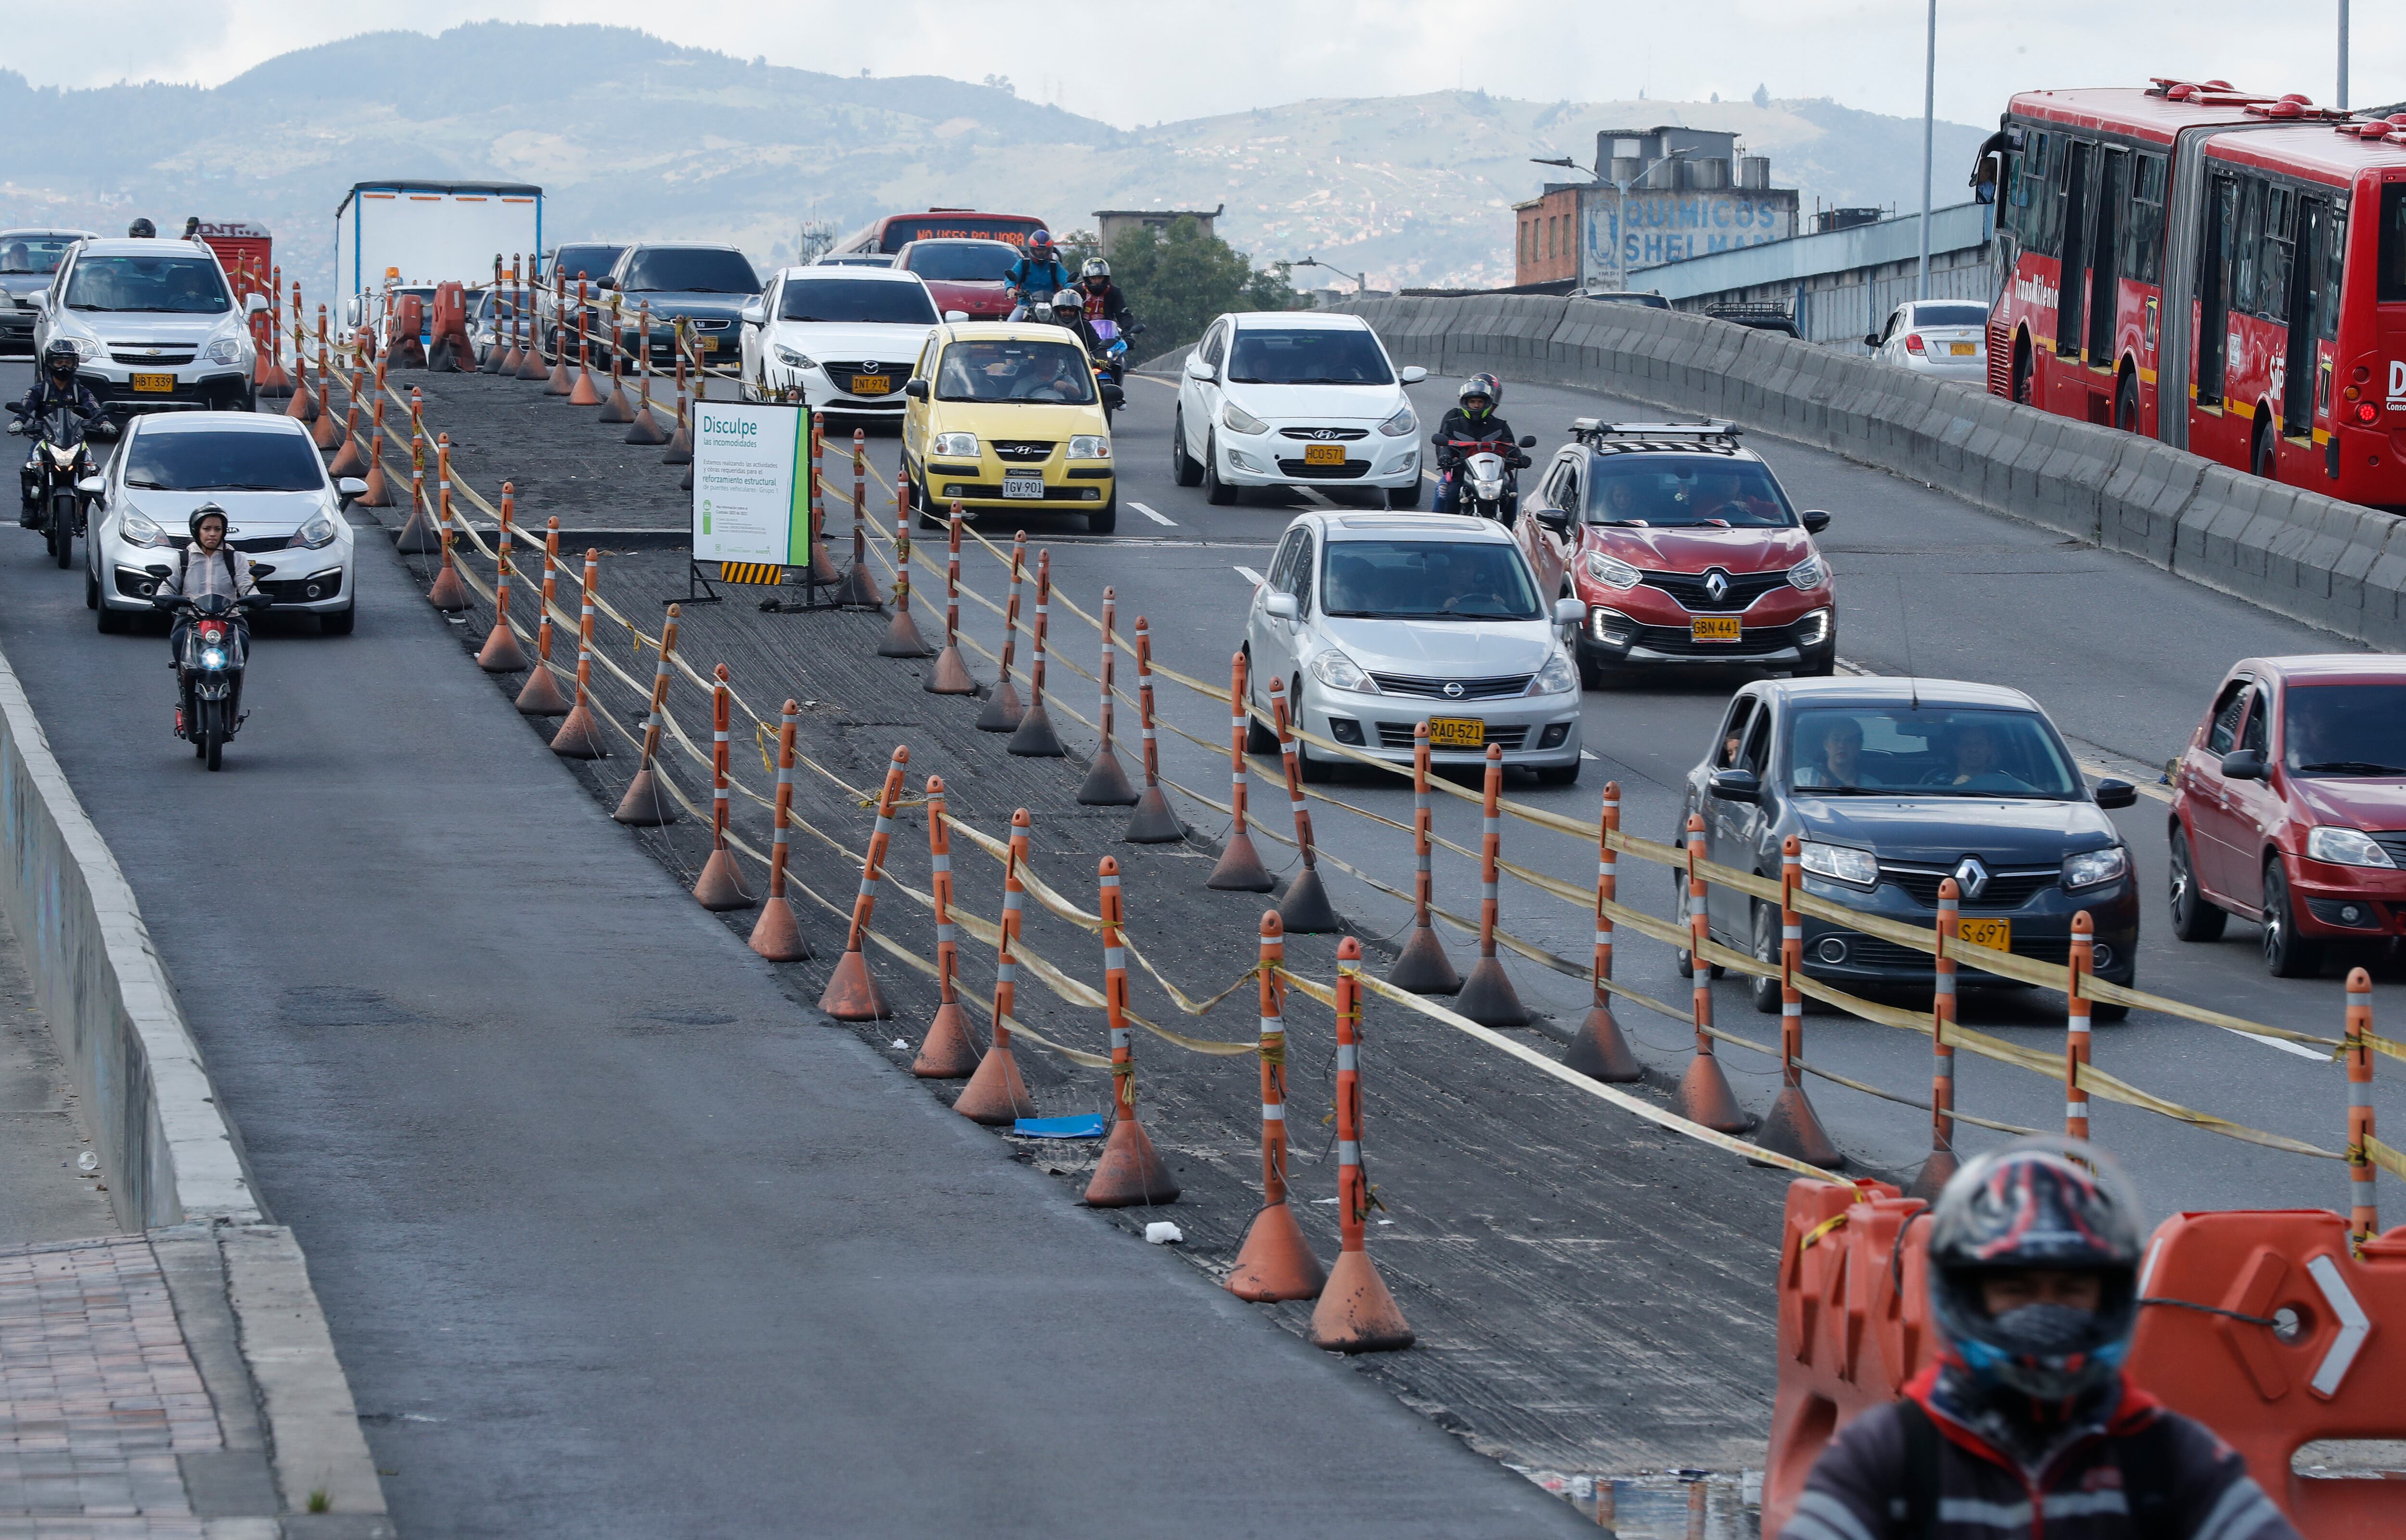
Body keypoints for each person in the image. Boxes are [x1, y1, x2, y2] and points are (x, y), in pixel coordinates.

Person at [1779, 1139, 2300, 1540]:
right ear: (1966, 1301)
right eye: (2016, 1289)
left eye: (2070, 1289)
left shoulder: (2170, 1460)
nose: (2045, 1313)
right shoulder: (1884, 1461)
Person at [11, 340, 105, 528]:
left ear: (75, 364)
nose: (64, 367)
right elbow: (25, 407)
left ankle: (88, 509)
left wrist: (104, 422)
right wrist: (19, 422)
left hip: (75, 440)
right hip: (44, 440)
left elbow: (94, 407)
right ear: (50, 363)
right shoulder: (39, 390)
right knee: (29, 469)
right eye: (59, 362)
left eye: (68, 362)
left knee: (94, 471)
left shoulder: (80, 390)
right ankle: (28, 507)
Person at [159, 505, 262, 667]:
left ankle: (235, 682)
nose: (213, 534)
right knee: (179, 640)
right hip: (192, 616)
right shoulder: (182, 558)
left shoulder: (235, 558)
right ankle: (184, 675)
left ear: (224, 531)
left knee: (242, 643)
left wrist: (255, 598)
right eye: (207, 528)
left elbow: (246, 584)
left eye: (218, 529)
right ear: (196, 530)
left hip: (229, 616)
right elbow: (169, 586)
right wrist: (162, 598)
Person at [1431, 373, 1525, 516]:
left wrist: (1521, 458)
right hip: (1462, 473)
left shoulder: (1500, 425)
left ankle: (1509, 530)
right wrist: (1445, 458)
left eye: (1480, 402)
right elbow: (1445, 445)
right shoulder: (1453, 423)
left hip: (1495, 476)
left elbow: (1510, 445)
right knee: (1446, 492)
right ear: (1465, 402)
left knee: (1512, 492)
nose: (1476, 405)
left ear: (1487, 403)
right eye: (1472, 402)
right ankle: (1439, 526)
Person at [1930, 720, 2034, 793]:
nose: (1973, 750)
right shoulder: (1938, 780)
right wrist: (1953, 789)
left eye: (1980, 744)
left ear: (1990, 749)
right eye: (1967, 744)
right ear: (1956, 749)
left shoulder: (2006, 782)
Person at [1003, 230, 1074, 317]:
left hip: (1050, 305)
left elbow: (1066, 280)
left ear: (1050, 250)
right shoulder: (1024, 263)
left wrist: (1073, 289)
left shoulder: (1054, 265)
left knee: (1066, 324)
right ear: (1032, 249)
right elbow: (1011, 276)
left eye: (1045, 250)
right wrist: (1010, 288)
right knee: (1011, 324)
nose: (1042, 253)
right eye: (1038, 250)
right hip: (1026, 305)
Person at [1792, 716, 1875, 789]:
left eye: (1850, 740)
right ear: (1826, 744)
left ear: (1859, 746)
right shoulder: (1801, 779)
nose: (1842, 745)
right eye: (1836, 739)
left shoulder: (1872, 786)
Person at [1076, 258, 1129, 326]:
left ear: (1106, 278)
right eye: (1093, 278)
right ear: (1087, 278)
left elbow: (1123, 314)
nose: (1097, 281)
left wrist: (1127, 331)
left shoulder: (1114, 292)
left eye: (1100, 278)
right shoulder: (1077, 292)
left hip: (1107, 333)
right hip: (1080, 333)